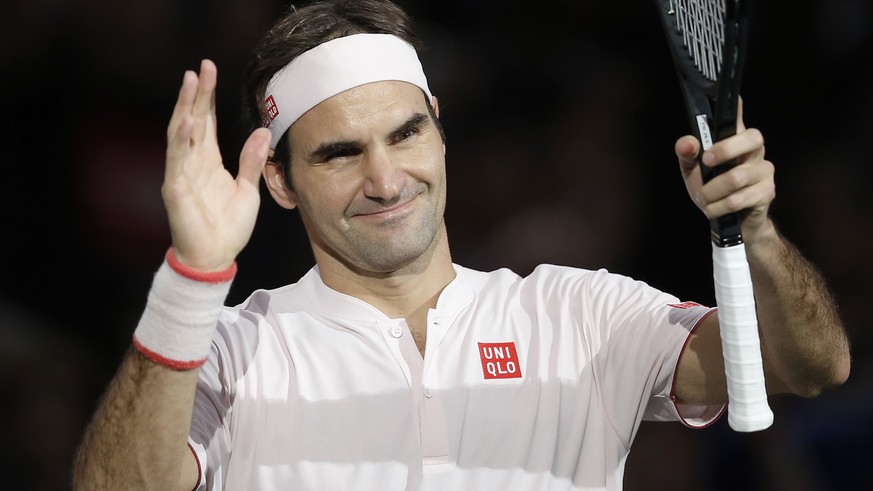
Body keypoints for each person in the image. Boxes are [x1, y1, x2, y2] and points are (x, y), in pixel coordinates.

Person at [71, 0, 851, 490]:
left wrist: (754, 229)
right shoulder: (227, 351)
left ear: (439, 131)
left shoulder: (578, 311)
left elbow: (806, 365)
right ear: (279, 181)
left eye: (406, 133)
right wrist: (193, 278)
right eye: (339, 153)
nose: (385, 179)